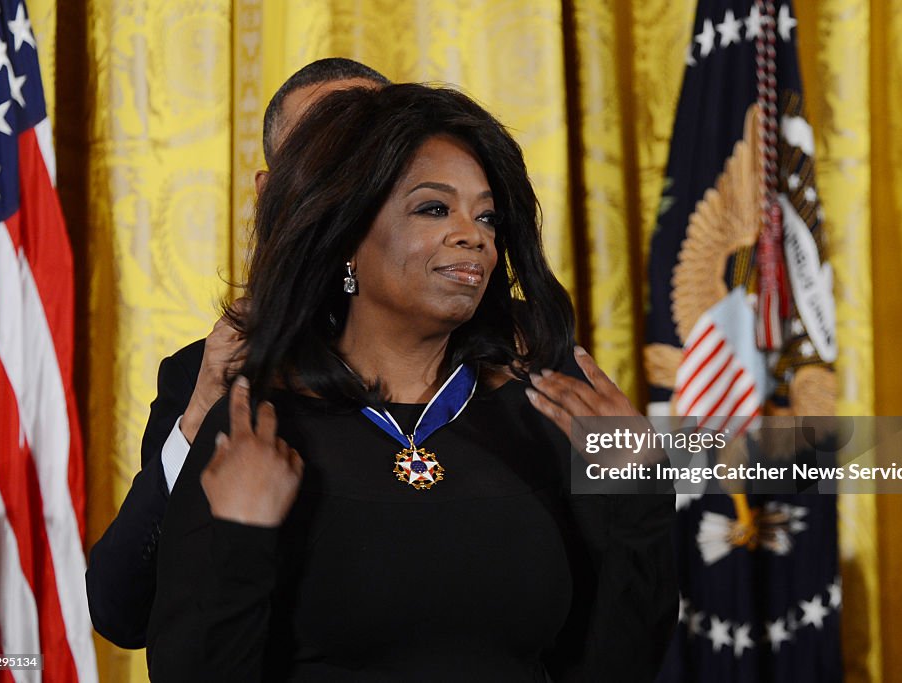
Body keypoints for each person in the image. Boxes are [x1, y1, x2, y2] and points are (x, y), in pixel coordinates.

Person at [146, 83, 677, 682]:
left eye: (486, 216)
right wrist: (240, 537)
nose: (472, 235)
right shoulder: (256, 427)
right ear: (346, 234)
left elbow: (620, 665)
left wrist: (643, 495)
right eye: (433, 208)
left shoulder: (543, 415)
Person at [85, 58, 391, 650]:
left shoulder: (529, 355)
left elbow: (627, 527)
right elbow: (121, 611)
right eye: (323, 159)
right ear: (269, 193)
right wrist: (200, 413)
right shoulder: (199, 377)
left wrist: (627, 456)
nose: (350, 186)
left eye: (374, 155)